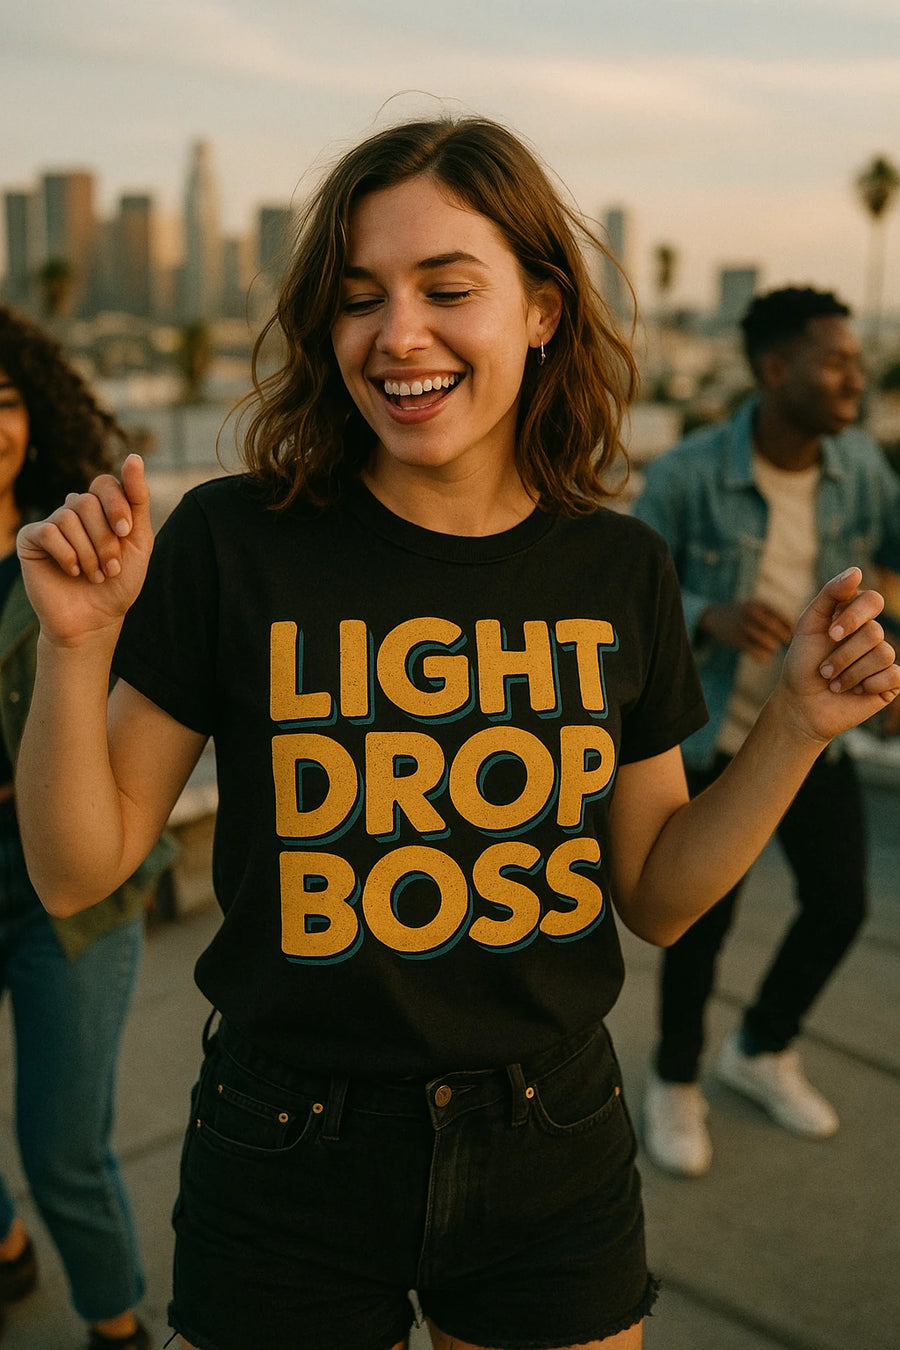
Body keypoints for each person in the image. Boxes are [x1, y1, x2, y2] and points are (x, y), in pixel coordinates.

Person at [13, 122, 900, 1350]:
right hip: (284, 1149)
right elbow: (78, 865)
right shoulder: (233, 545)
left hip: (551, 1142)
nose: (400, 334)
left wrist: (799, 722)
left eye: (448, 289)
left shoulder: (618, 566)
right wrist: (72, 646)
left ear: (541, 309)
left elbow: (657, 892)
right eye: (360, 298)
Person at [634, 286, 900, 1178]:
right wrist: (705, 612)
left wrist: (882, 641)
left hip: (806, 738)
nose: (855, 376)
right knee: (699, 920)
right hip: (709, 739)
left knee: (839, 903)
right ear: (776, 368)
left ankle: (759, 1049)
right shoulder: (687, 474)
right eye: (837, 360)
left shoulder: (861, 464)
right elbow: (627, 597)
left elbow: (894, 562)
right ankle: (673, 1079)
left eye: (858, 360)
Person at [0, 306, 174, 1349]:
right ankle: (6, 1248)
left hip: (65, 890)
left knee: (65, 1145)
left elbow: (140, 717)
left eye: (6, 403)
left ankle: (116, 1327)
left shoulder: (78, 545)